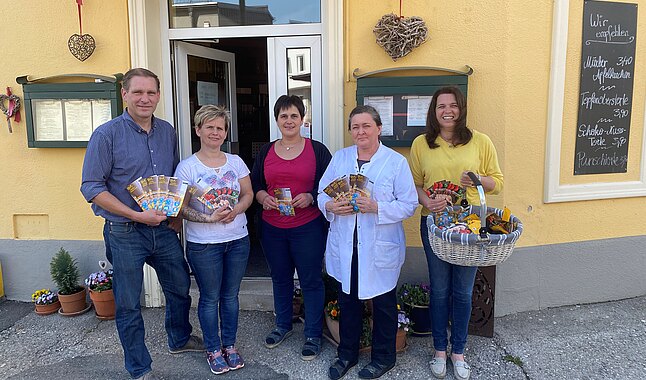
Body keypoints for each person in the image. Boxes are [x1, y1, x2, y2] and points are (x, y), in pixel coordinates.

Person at [80, 68, 203, 380]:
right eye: (138, 92)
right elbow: (92, 188)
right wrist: (136, 215)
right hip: (125, 232)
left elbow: (174, 178)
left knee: (179, 288)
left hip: (163, 230)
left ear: (158, 96)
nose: (145, 98)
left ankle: (178, 338)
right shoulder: (106, 134)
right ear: (124, 94)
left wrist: (176, 214)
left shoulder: (167, 131)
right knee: (128, 304)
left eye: (151, 93)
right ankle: (139, 367)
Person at [408, 86, 503, 380]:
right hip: (434, 225)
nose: (447, 111)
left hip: (470, 226)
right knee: (439, 290)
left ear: (461, 109)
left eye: (452, 105)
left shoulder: (480, 141)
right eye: (440, 106)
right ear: (433, 112)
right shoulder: (421, 144)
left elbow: (497, 182)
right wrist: (427, 200)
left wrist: (479, 180)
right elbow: (413, 185)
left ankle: (458, 351)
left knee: (462, 292)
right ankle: (439, 350)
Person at [318, 105, 417, 380]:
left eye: (366, 126)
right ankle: (346, 354)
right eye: (355, 127)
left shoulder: (396, 162)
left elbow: (409, 204)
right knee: (348, 300)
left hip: (378, 244)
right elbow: (320, 194)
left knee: (383, 302)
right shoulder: (340, 158)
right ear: (351, 131)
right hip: (346, 243)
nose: (360, 131)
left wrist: (376, 207)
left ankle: (384, 357)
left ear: (378, 128)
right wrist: (330, 207)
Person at [251, 95, 332, 360]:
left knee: (310, 279)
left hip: (307, 226)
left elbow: (329, 186)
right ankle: (283, 325)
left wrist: (310, 196)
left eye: (293, 116)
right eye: (283, 116)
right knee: (280, 277)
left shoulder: (317, 150)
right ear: (277, 120)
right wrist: (263, 198)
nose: (288, 121)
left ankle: (312, 334)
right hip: (273, 227)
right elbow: (255, 185)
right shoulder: (266, 151)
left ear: (302, 119)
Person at [174, 105, 253, 375]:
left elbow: (248, 195)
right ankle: (213, 348)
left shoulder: (236, 162)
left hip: (237, 239)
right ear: (198, 130)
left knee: (230, 296)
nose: (215, 132)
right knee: (210, 298)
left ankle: (229, 345)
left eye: (220, 127)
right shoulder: (187, 167)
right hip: (203, 244)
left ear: (225, 132)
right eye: (209, 127)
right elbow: (180, 208)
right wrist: (209, 219)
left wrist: (237, 210)